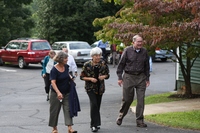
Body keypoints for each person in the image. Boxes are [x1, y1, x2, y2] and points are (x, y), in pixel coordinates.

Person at [116, 35, 150, 128]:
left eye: (141, 41)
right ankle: (121, 116)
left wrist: (147, 79)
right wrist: (119, 77)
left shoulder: (144, 52)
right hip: (129, 77)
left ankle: (140, 121)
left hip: (141, 77)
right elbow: (121, 65)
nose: (140, 43)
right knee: (127, 99)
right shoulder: (127, 50)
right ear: (133, 42)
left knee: (140, 100)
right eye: (138, 42)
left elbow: (147, 66)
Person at [80, 47, 110, 132]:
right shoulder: (87, 65)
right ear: (92, 56)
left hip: (100, 88)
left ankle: (95, 123)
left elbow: (108, 75)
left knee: (98, 105)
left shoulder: (103, 64)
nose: (98, 57)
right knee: (94, 105)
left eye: (99, 55)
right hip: (90, 88)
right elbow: (82, 77)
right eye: (96, 55)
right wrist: (90, 79)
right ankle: (93, 125)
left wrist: (103, 76)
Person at [49, 51, 79, 133]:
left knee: (68, 109)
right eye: (66, 58)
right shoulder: (54, 70)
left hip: (66, 92)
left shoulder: (66, 66)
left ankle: (70, 128)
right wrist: (58, 93)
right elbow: (53, 82)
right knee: (54, 111)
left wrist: (71, 78)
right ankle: (54, 128)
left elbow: (68, 74)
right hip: (55, 93)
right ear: (61, 59)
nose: (67, 59)